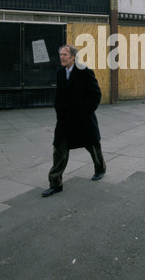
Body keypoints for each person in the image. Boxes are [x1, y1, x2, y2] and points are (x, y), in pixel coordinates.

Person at [42, 44, 106, 197]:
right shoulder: (60, 73)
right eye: (61, 55)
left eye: (65, 55)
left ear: (73, 57)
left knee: (93, 146)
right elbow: (59, 95)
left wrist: (85, 111)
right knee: (59, 149)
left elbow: (96, 95)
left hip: (83, 120)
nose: (62, 57)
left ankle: (100, 169)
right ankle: (55, 183)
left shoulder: (85, 72)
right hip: (65, 121)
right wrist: (59, 112)